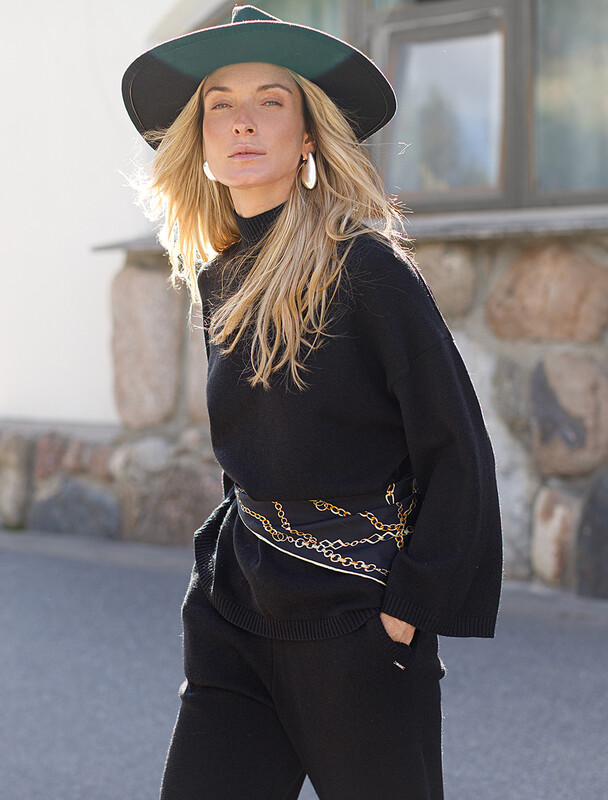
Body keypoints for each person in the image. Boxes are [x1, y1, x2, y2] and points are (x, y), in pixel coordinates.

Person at [122, 6, 502, 799]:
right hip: (234, 613)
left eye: (270, 100)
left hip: (353, 623)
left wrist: (405, 614)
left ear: (307, 136)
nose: (242, 120)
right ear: (200, 138)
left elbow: (457, 450)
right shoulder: (221, 275)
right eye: (220, 103)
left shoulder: (366, 270)